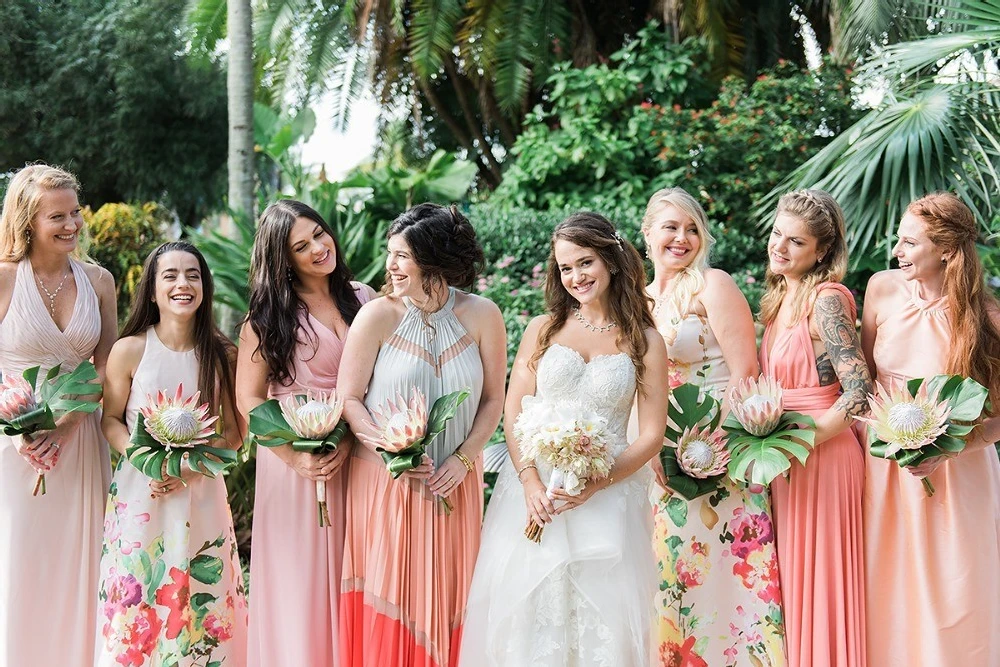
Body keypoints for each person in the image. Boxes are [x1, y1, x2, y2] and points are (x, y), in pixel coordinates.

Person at [460, 212, 669, 666]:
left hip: (607, 498)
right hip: (533, 498)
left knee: (603, 625)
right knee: (530, 618)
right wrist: (531, 481)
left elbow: (652, 434)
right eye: (565, 268)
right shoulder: (544, 328)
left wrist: (596, 482)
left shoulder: (646, 341)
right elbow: (515, 409)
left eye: (585, 262)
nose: (575, 276)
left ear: (611, 260)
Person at [338, 203, 506, 667]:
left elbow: (494, 399)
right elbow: (349, 399)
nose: (390, 266)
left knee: (453, 598)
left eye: (402, 256)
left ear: (433, 261)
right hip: (387, 485)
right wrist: (394, 453)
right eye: (390, 253)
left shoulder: (484, 315)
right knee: (393, 597)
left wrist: (465, 459)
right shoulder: (376, 316)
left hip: (455, 484)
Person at [642, 188, 785, 666]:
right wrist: (652, 454)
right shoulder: (638, 302)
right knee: (672, 580)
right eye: (670, 227)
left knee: (726, 585)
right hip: (660, 465)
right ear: (648, 234)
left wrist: (706, 451)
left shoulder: (712, 285)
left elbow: (746, 371)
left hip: (720, 460)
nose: (681, 238)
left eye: (691, 229)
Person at [860, 192, 1000, 666]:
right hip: (882, 467)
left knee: (955, 589)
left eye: (909, 242)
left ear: (945, 250)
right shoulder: (881, 289)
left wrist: (952, 450)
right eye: (898, 240)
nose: (897, 251)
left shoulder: (985, 318)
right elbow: (861, 377)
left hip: (957, 472)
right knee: (886, 580)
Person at [236, 200, 376, 666]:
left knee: (357, 579)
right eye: (301, 245)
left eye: (319, 233)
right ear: (283, 259)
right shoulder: (266, 320)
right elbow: (249, 401)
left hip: (360, 458)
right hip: (297, 466)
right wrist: (294, 456)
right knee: (305, 586)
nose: (319, 248)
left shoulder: (365, 299)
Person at [96, 241, 247, 665]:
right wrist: (146, 460)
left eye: (193, 275)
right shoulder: (130, 350)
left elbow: (233, 434)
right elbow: (110, 419)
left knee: (198, 599)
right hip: (140, 494)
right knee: (137, 597)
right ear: (152, 289)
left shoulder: (222, 355)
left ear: (205, 287)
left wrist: (187, 471)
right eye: (171, 275)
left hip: (199, 493)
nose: (183, 283)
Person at [0, 164, 117, 667]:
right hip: (15, 448)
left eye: (75, 212)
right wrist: (20, 430)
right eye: (58, 216)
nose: (72, 225)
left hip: (81, 441)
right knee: (22, 563)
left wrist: (68, 422)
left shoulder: (99, 280)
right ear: (28, 221)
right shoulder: (3, 279)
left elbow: (109, 367)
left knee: (83, 565)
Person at [758, 189, 871, 667]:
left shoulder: (826, 299)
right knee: (792, 583)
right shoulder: (779, 297)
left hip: (822, 455)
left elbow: (859, 391)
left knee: (822, 580)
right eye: (778, 235)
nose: (780, 248)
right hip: (784, 456)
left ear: (822, 251)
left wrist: (798, 440)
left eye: (796, 242)